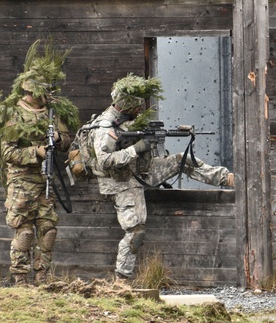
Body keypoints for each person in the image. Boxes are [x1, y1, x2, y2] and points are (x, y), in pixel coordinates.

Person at [83, 74, 234, 280]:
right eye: (137, 105)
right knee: (136, 233)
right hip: (121, 183)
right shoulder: (106, 127)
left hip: (140, 172)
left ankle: (228, 179)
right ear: (126, 104)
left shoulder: (127, 120)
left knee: (182, 160)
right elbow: (105, 161)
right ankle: (121, 282)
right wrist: (137, 148)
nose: (140, 109)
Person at [1, 74, 73, 286]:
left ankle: (42, 277)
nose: (46, 97)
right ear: (31, 92)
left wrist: (59, 140)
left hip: (46, 181)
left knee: (48, 230)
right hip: (22, 183)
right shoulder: (15, 115)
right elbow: (7, 152)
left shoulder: (50, 114)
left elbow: (67, 141)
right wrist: (36, 152)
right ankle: (20, 278)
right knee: (23, 232)